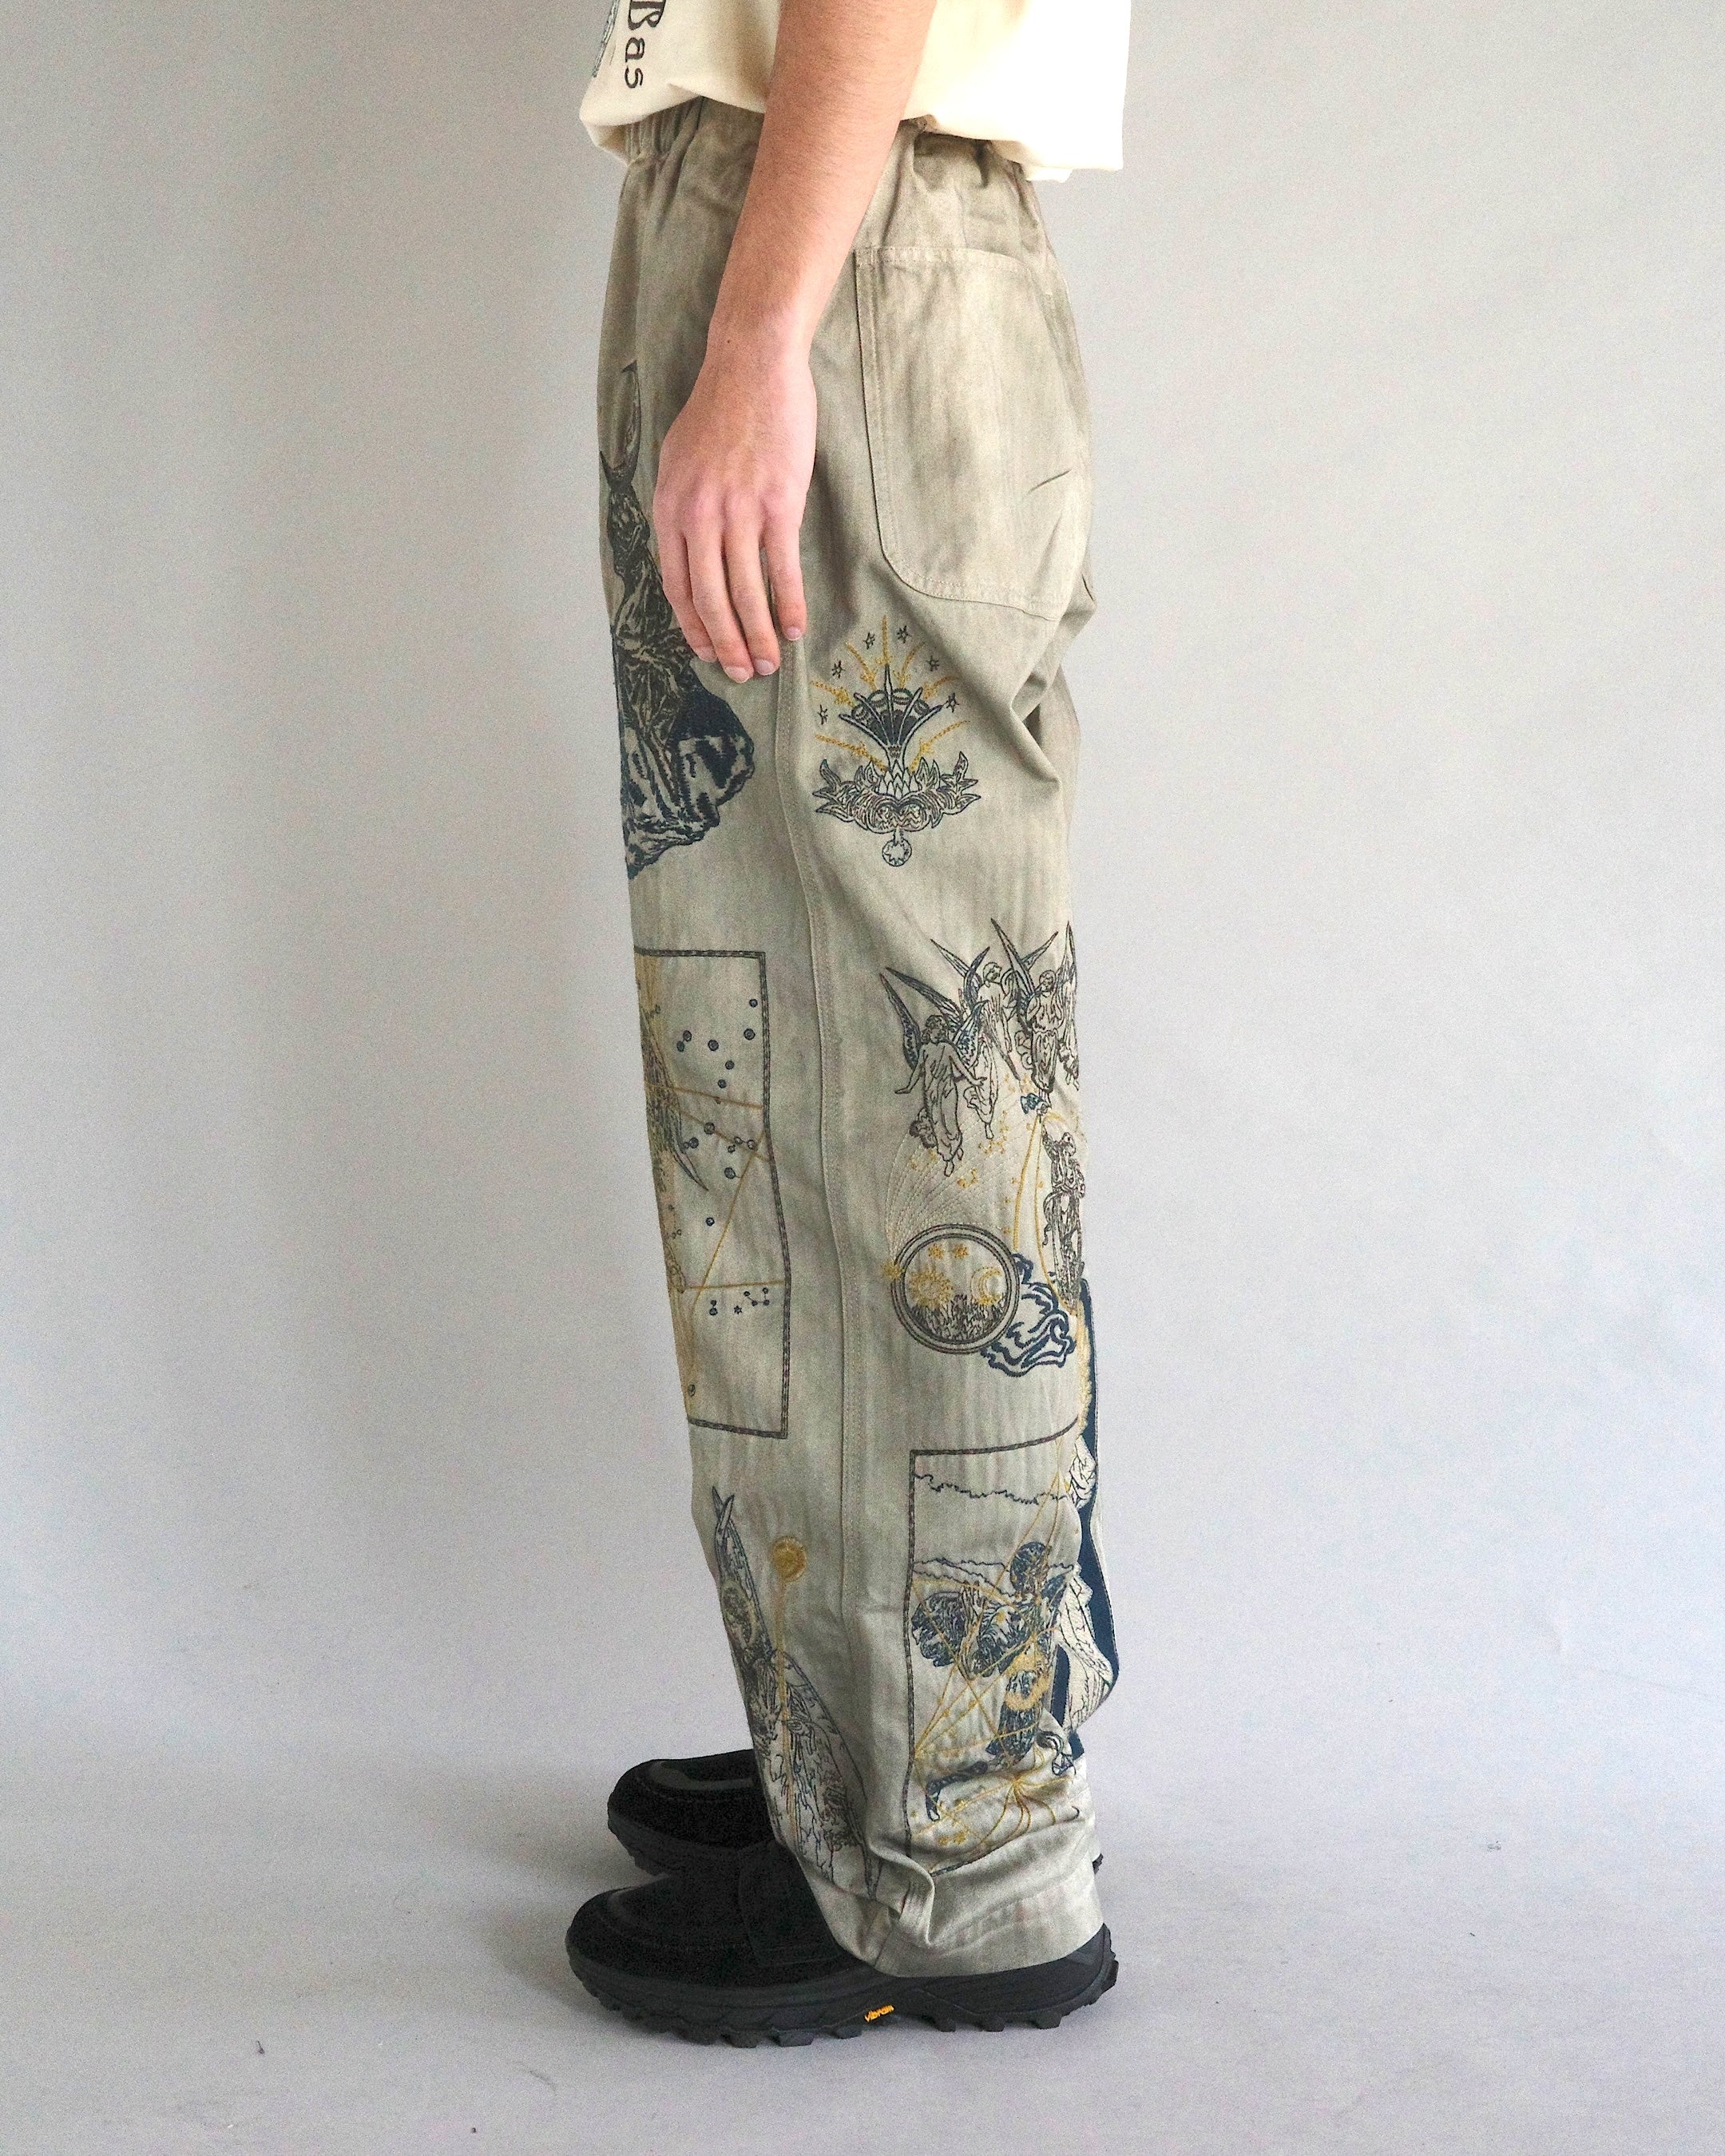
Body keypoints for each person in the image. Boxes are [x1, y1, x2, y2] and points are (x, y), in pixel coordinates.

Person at [565, 0, 1130, 2045]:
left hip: (834, 239)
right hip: (845, 230)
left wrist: (757, 334)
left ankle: (954, 1858)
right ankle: (870, 1747)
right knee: (813, 1051)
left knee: (900, 1090)